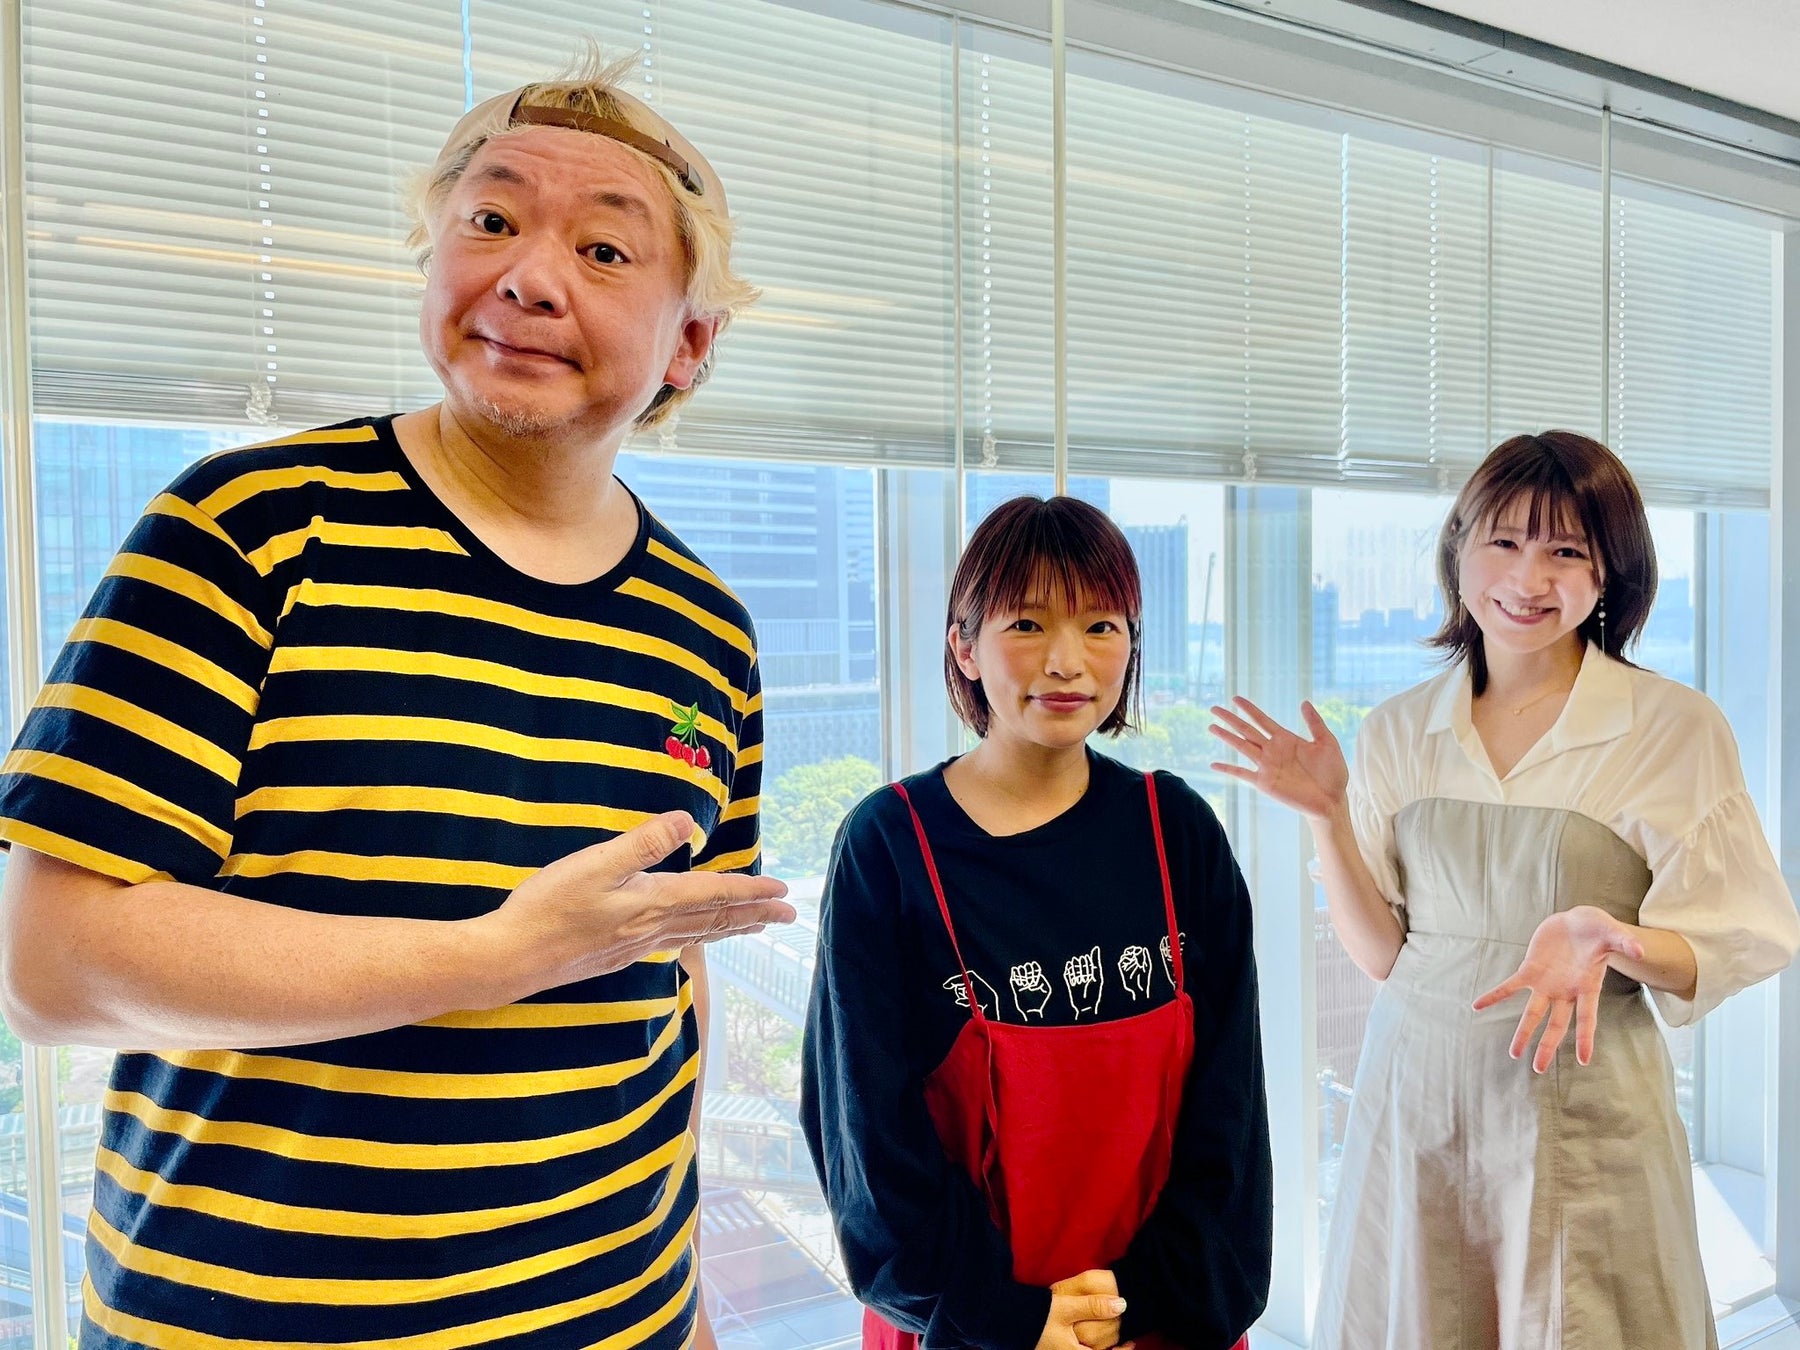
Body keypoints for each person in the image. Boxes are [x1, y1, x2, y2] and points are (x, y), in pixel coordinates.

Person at [0, 56, 796, 1348]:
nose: (529, 276)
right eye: (491, 220)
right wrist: (493, 956)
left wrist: (684, 1291)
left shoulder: (706, 627)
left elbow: (671, 960)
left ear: (690, 344)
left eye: (603, 249)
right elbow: (54, 966)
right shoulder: (247, 528)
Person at [1211, 431, 1800, 1349]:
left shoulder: (1671, 728)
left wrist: (1613, 938)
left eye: (1567, 550)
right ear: (1459, 550)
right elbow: (1386, 957)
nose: (1529, 578)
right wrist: (1327, 815)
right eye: (1505, 541)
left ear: (1611, 573)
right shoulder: (1401, 728)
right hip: (1417, 1105)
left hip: (1585, 1116)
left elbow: (1743, 935)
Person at [803, 495, 1272, 1350]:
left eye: (1102, 625)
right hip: (967, 1325)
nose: (1067, 661)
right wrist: (1014, 1321)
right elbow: (866, 1138)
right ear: (963, 645)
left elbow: (1230, 1115)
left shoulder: (1177, 832)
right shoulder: (889, 845)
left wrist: (1134, 1305)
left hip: (1161, 1320)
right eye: (1027, 623)